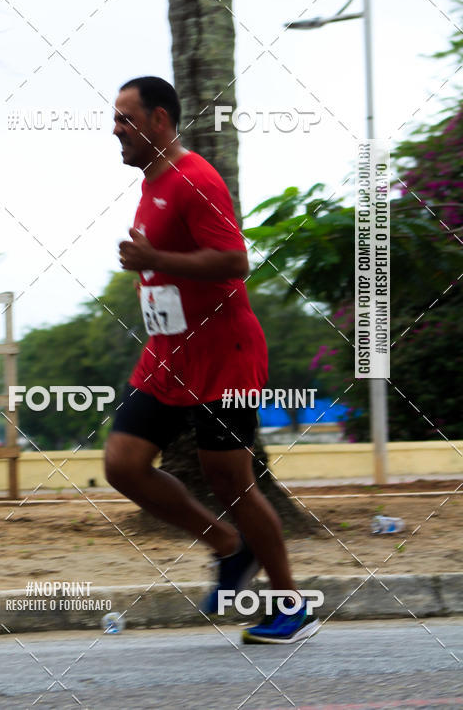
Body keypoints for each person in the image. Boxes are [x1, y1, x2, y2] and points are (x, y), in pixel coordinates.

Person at [104, 75, 320, 644]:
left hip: (226, 358)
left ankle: (291, 605)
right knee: (123, 465)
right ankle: (227, 545)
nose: (116, 129)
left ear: (160, 120)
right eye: (115, 118)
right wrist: (151, 267)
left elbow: (234, 261)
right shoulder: (152, 184)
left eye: (126, 118)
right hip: (169, 354)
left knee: (232, 481)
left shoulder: (194, 178)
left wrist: (155, 257)